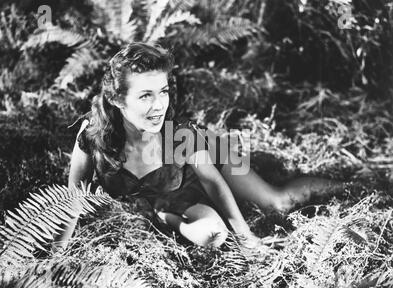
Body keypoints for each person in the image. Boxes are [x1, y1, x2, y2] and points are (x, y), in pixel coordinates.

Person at [56, 42, 343, 251]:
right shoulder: (92, 135)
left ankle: (343, 185)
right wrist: (57, 253)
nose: (158, 106)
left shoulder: (180, 134)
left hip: (214, 153)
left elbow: (215, 183)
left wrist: (246, 238)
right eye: (145, 96)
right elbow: (74, 198)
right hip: (176, 187)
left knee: (276, 203)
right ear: (118, 100)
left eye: (163, 92)